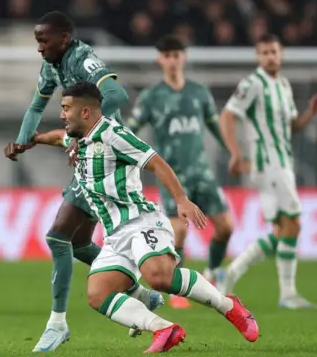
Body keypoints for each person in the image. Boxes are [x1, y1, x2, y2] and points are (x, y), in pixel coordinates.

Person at [32, 81, 259, 353]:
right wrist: (32, 139)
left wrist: (181, 199)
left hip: (141, 221)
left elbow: (156, 162)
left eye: (66, 108)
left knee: (159, 277)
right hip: (115, 235)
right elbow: (58, 136)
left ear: (85, 112)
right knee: (97, 293)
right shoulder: (77, 140)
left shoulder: (114, 135)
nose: (62, 114)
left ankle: (229, 306)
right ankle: (163, 328)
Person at [3, 11, 162, 352]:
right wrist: (22, 139)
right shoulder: (52, 66)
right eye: (37, 41)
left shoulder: (84, 59)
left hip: (105, 157)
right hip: (90, 158)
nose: (39, 48)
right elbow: (34, 108)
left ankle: (57, 324)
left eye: (44, 41)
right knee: (76, 244)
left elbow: (117, 96)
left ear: (64, 38)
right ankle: (140, 293)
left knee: (57, 236)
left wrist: (87, 132)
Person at [219, 34, 317, 309]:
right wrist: (235, 152)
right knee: (293, 223)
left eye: (274, 52)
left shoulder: (283, 85)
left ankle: (231, 272)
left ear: (282, 54)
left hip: (282, 162)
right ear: (258, 57)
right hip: (267, 163)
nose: (270, 56)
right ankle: (287, 293)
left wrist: (311, 112)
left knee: (283, 228)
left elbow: (292, 126)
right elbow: (228, 114)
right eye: (265, 52)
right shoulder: (252, 83)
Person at [127, 35, 234, 310]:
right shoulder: (151, 97)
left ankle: (210, 273)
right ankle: (179, 286)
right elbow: (130, 129)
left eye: (177, 55)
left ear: (183, 57)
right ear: (160, 60)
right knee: (179, 233)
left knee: (226, 227)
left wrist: (234, 152)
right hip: (173, 177)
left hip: (202, 173)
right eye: (167, 55)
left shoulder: (199, 92)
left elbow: (214, 126)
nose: (173, 60)